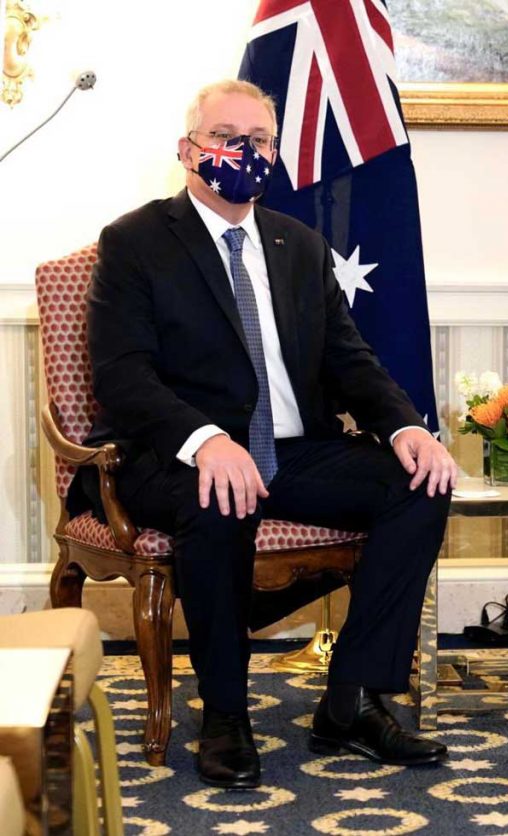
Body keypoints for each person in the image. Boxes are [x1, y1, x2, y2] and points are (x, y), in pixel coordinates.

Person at [74, 79, 458, 788]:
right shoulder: (135, 242)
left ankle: (354, 699)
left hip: (292, 448)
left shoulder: (298, 246)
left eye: (259, 141)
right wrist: (204, 440)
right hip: (175, 453)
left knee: (418, 483)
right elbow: (123, 374)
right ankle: (224, 715)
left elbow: (350, 360)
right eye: (227, 136)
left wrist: (405, 426)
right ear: (188, 150)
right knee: (221, 494)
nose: (244, 152)